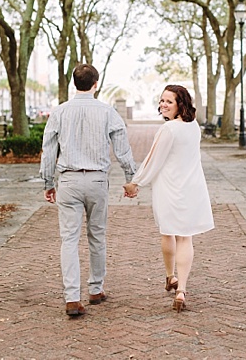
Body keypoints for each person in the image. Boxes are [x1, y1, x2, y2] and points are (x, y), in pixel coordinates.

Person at [40, 64, 137, 317]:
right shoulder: (108, 112)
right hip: (96, 181)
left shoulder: (59, 112)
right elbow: (122, 149)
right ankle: (96, 289)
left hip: (69, 181)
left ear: (74, 84)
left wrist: (48, 182)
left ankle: (72, 297)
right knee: (97, 236)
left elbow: (48, 149)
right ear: (96, 84)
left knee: (69, 240)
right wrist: (130, 178)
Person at [123, 85, 214, 313]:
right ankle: (181, 289)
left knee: (168, 232)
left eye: (168, 101)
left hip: (170, 188)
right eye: (162, 100)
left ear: (180, 104)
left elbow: (154, 160)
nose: (163, 104)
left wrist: (136, 182)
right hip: (193, 187)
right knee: (185, 237)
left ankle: (170, 276)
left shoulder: (169, 130)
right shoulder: (194, 127)